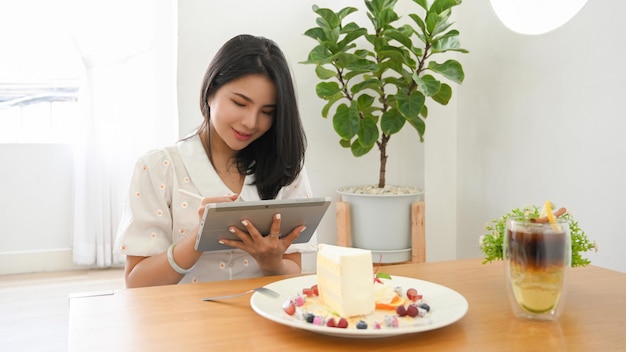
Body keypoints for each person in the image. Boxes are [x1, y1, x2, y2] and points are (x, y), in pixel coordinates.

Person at [115, 34, 315, 288]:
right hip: (183, 320)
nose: (251, 122)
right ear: (210, 91)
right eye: (240, 103)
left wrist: (270, 261)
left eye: (267, 112)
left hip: (263, 318)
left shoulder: (285, 169)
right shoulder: (158, 167)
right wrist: (199, 237)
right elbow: (137, 283)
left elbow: (293, 272)